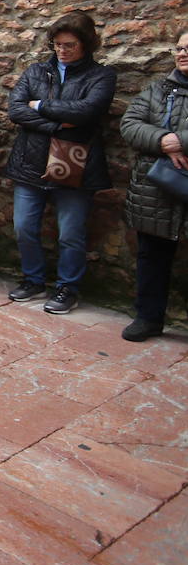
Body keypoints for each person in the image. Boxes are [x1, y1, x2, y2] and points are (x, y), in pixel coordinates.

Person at [6, 12, 117, 314]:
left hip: (75, 165)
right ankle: (33, 279)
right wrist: (57, 124)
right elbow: (15, 109)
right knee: (24, 227)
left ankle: (68, 287)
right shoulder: (36, 71)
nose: (62, 51)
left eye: (69, 45)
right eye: (57, 45)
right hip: (31, 161)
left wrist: (41, 106)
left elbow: (87, 111)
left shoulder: (101, 76)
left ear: (86, 44)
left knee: (70, 233)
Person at [118, 28, 188, 342]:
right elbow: (130, 124)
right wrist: (162, 139)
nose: (183, 53)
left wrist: (181, 141)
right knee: (152, 257)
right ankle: (148, 318)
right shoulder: (158, 90)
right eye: (180, 47)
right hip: (156, 188)